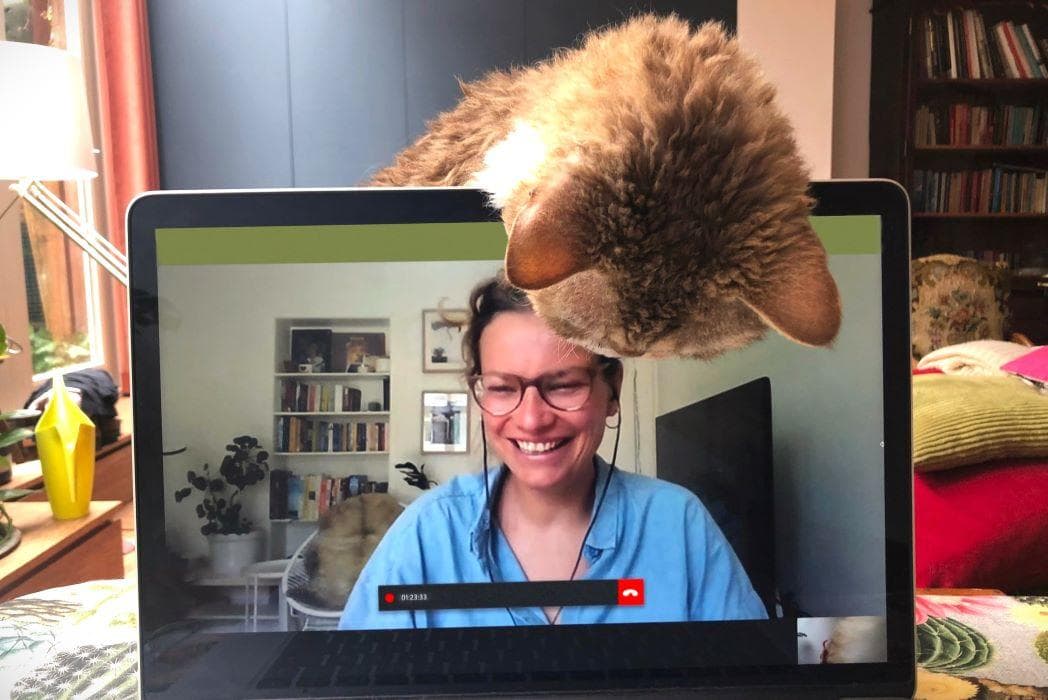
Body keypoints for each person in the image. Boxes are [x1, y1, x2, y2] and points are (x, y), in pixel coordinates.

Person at [338, 274, 766, 629]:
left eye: (563, 385)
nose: (531, 419)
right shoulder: (425, 533)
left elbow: (750, 680)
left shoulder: (679, 524)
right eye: (503, 388)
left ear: (612, 389)